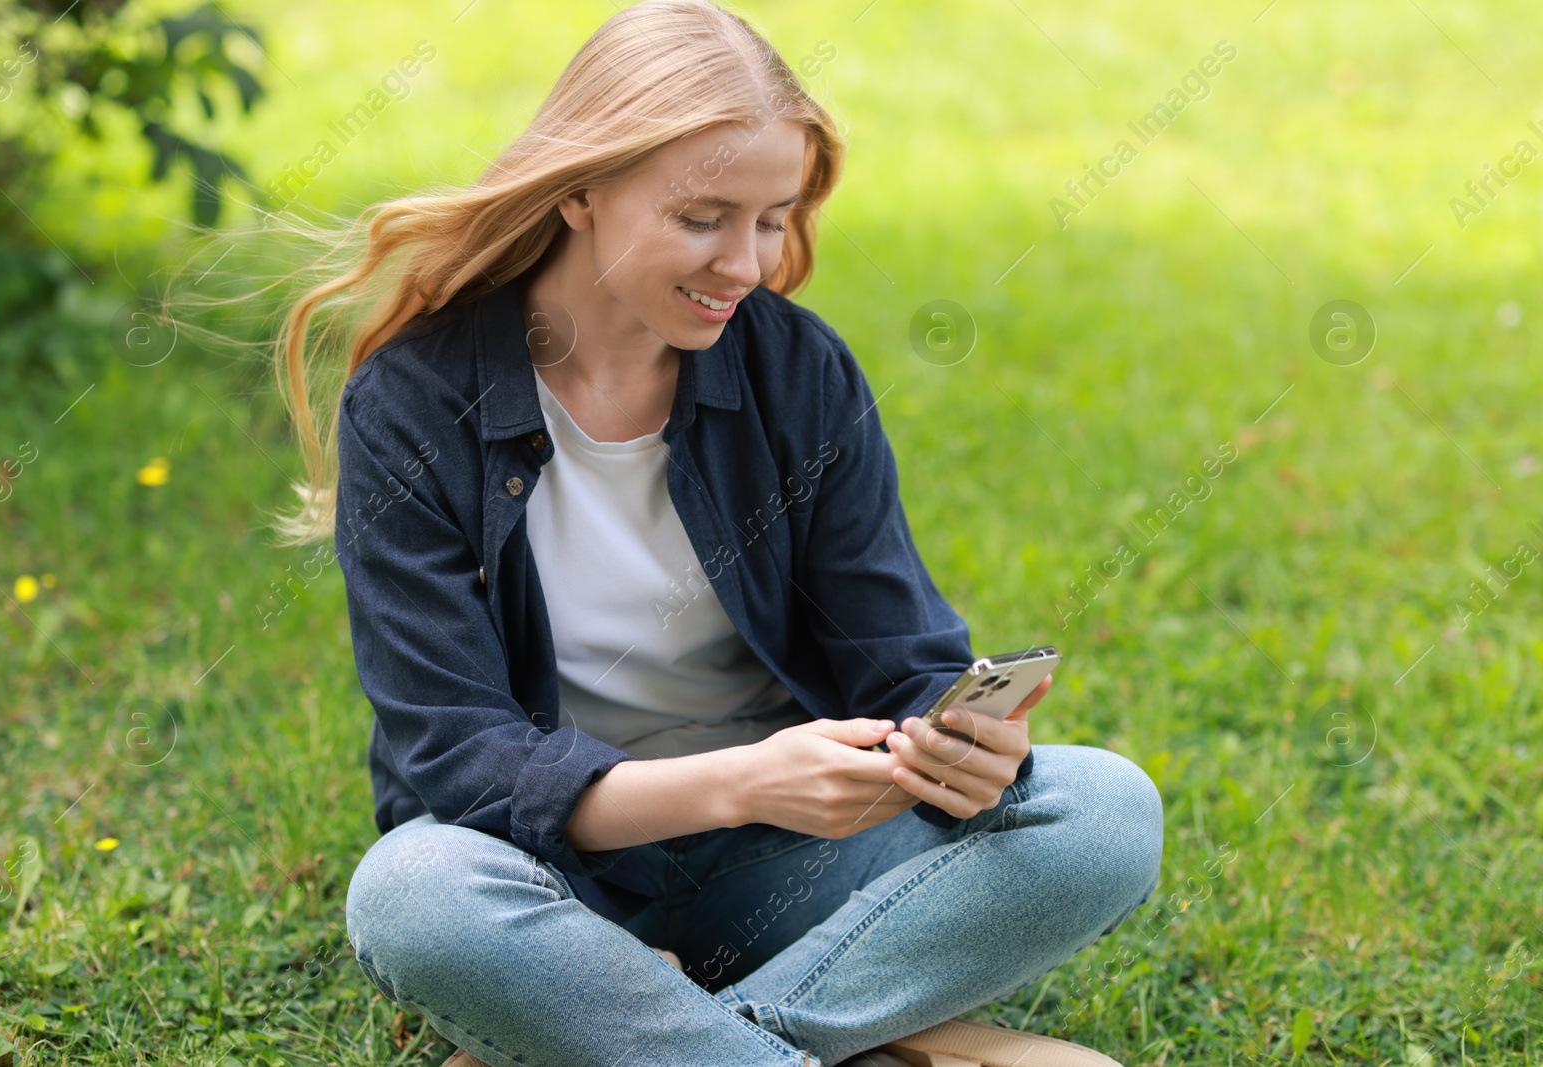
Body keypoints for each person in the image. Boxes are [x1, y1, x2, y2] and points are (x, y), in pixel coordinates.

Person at [265, 2, 1163, 1064]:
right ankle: (850, 1037)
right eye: (703, 217)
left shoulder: (797, 371)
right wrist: (737, 777)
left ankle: (666, 1037)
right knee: (412, 892)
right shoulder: (413, 401)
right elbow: (459, 757)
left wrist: (961, 744)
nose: (745, 262)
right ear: (582, 191)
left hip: (791, 860)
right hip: (558, 877)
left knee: (1103, 807)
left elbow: (895, 653)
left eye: (773, 217)